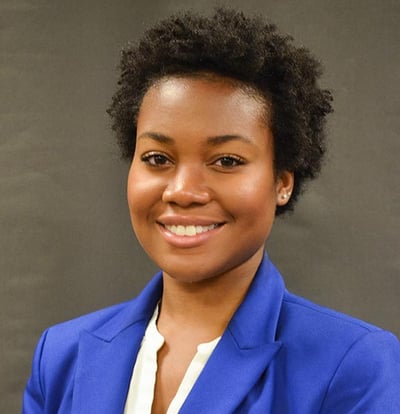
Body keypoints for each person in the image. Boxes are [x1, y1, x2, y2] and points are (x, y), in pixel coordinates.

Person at [23, 7, 400, 413]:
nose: (182, 192)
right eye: (157, 158)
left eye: (226, 161)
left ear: (282, 182)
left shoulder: (352, 365)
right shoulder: (61, 356)